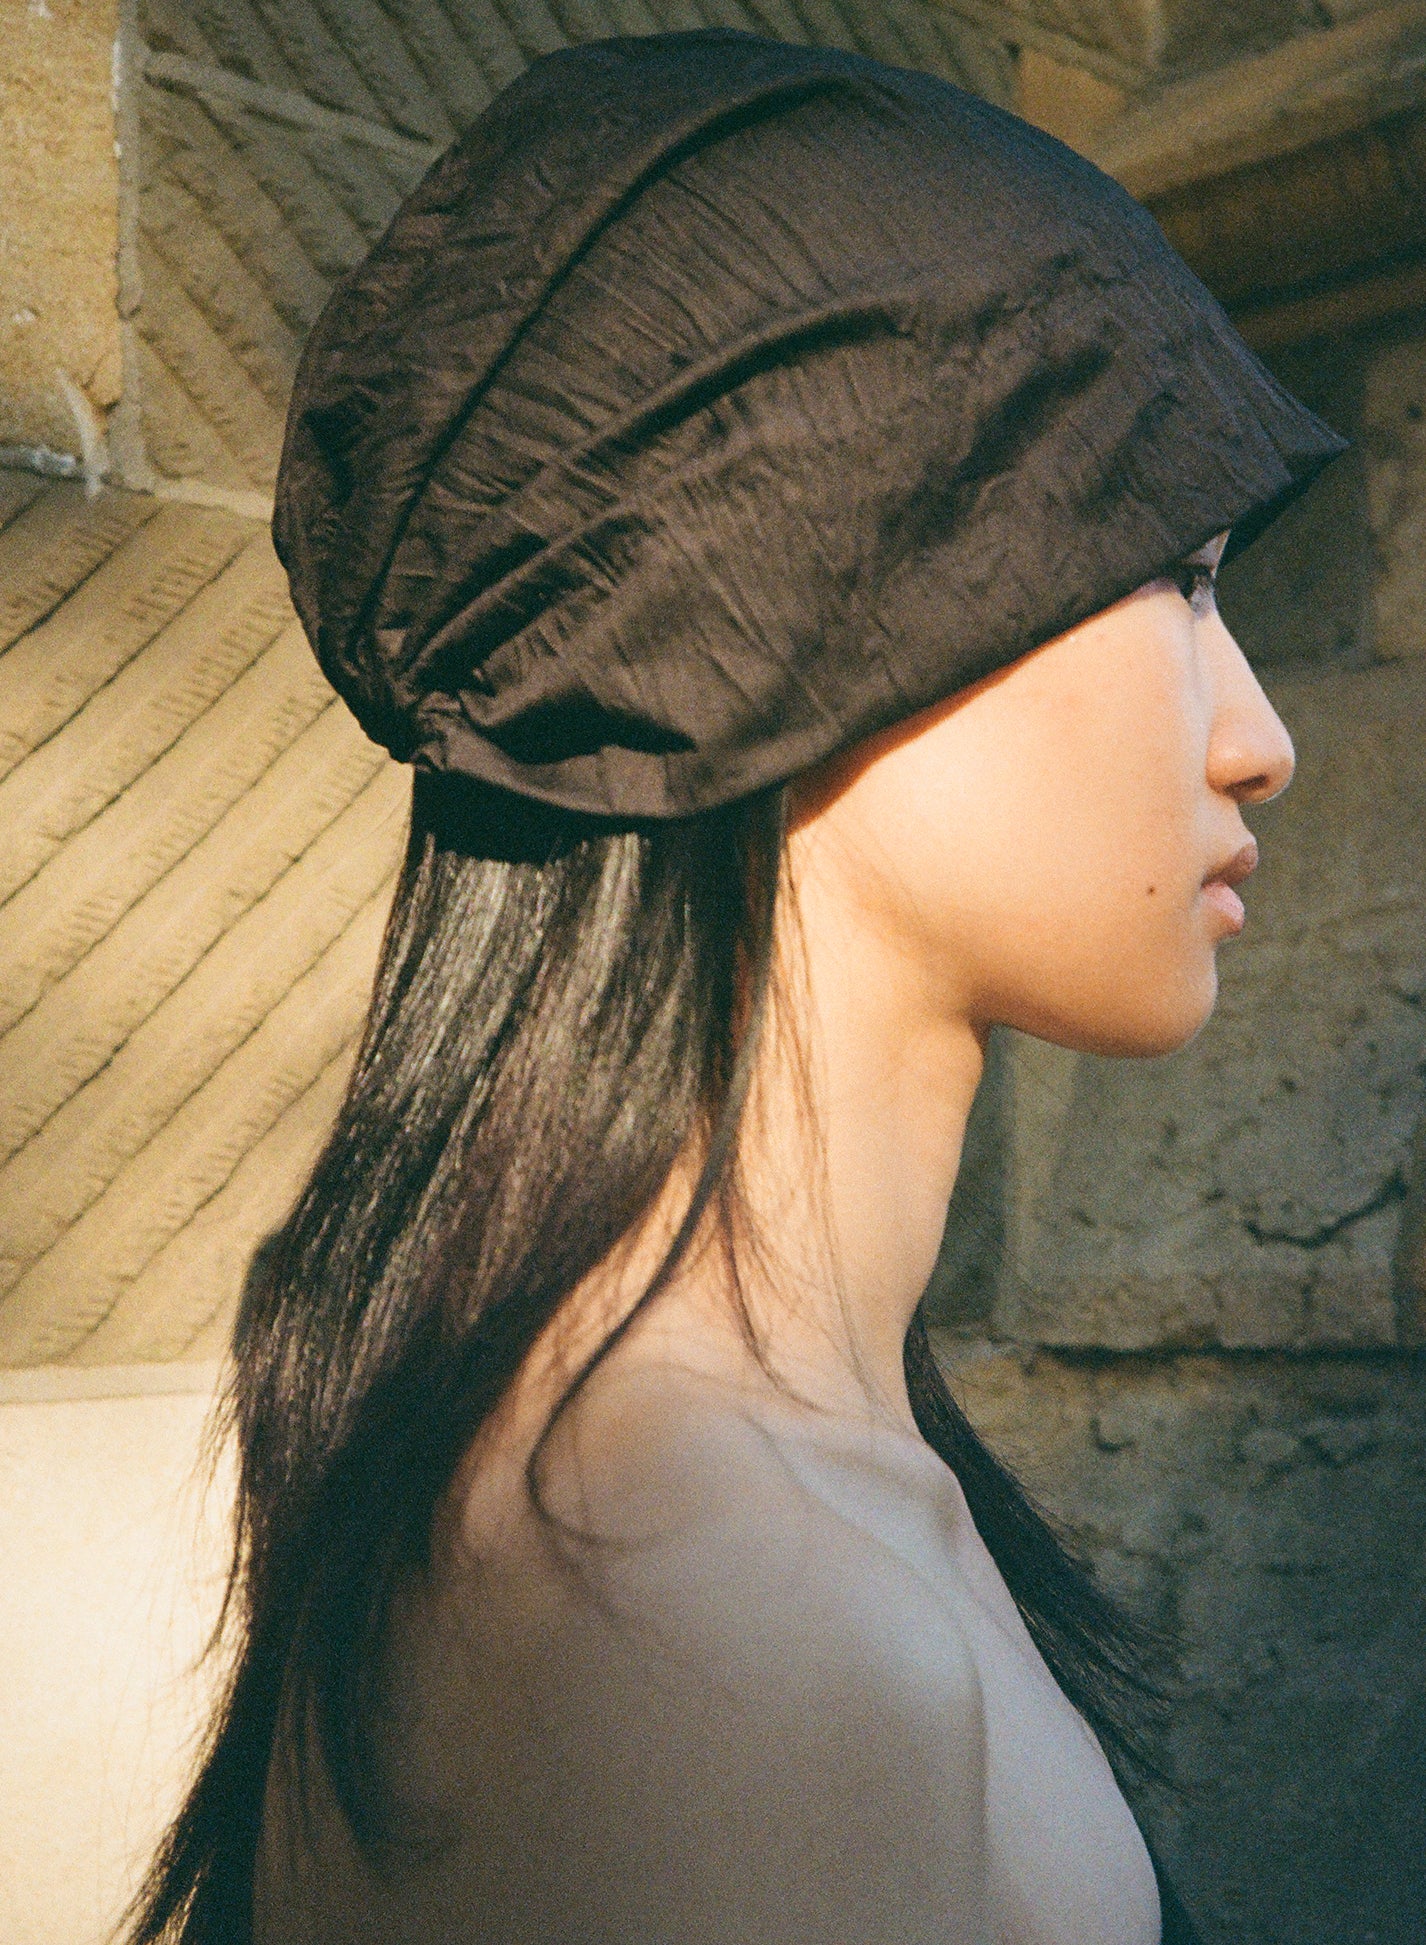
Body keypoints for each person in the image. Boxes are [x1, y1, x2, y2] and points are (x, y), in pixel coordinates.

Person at [125, 29, 1347, 1945]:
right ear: (817, 594)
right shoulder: (712, 1613)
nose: (1256, 735)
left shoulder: (737, 1505)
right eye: (1171, 573)